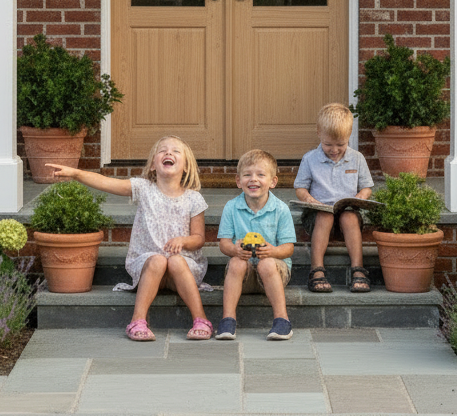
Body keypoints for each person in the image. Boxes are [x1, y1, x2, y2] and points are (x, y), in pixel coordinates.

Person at [50, 135, 213, 341]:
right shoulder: (143, 189)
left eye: (175, 151)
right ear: (153, 165)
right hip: (148, 265)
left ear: (187, 167)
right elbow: (106, 182)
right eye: (162, 150)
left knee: (175, 261)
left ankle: (200, 319)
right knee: (158, 259)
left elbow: (199, 238)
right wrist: (75, 173)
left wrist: (183, 240)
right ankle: (138, 321)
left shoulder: (193, 199)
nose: (168, 153)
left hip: (182, 269)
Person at [216, 149, 296, 341]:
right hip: (244, 274)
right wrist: (234, 249)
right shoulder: (231, 207)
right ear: (238, 181)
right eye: (247, 175)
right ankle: (227, 320)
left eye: (261, 175)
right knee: (236, 262)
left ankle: (282, 320)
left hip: (273, 272)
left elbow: (289, 248)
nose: (254, 179)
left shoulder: (281, 209)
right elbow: (223, 243)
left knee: (267, 262)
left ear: (273, 182)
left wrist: (273, 251)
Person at [294, 102, 374, 294]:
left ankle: (358, 269)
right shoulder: (310, 159)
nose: (335, 149)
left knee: (349, 216)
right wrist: (309, 200)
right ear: (318, 133)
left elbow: (366, 186)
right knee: (325, 216)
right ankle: (317, 270)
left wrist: (361, 196)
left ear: (349, 136)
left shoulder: (357, 158)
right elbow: (300, 188)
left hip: (347, 210)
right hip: (319, 213)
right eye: (328, 144)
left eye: (341, 144)